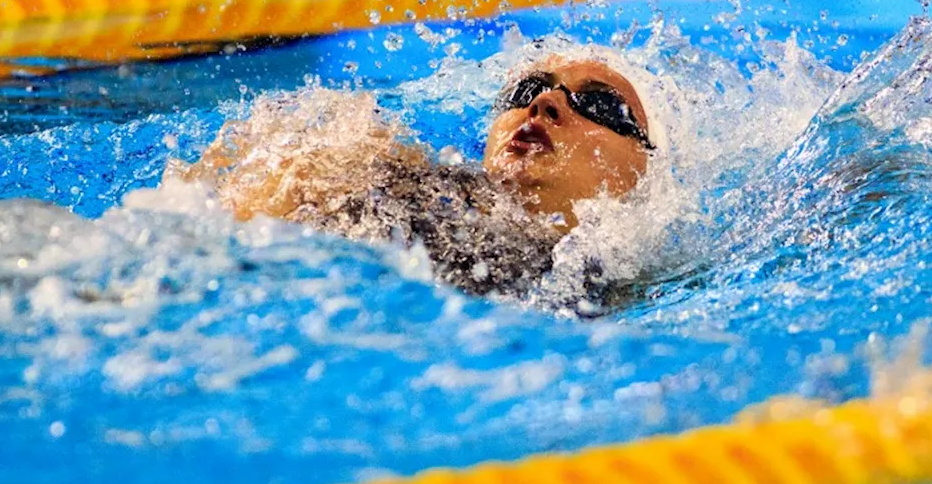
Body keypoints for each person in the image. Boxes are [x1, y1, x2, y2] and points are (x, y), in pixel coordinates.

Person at [172, 51, 660, 299]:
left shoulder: (631, 285)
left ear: (646, 172)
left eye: (598, 104)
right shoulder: (412, 184)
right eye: (527, 90)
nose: (544, 103)